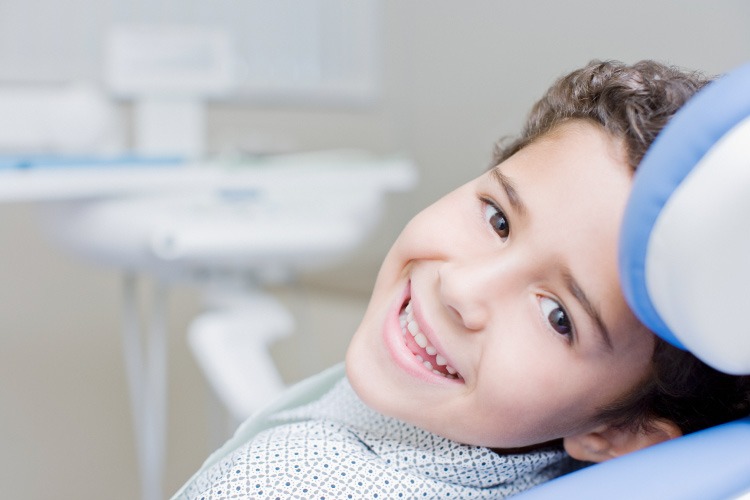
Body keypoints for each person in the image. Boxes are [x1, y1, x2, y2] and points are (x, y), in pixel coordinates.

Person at [172, 60, 750, 499]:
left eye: (558, 317)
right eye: (498, 219)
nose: (463, 291)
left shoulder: (289, 482)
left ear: (621, 435)